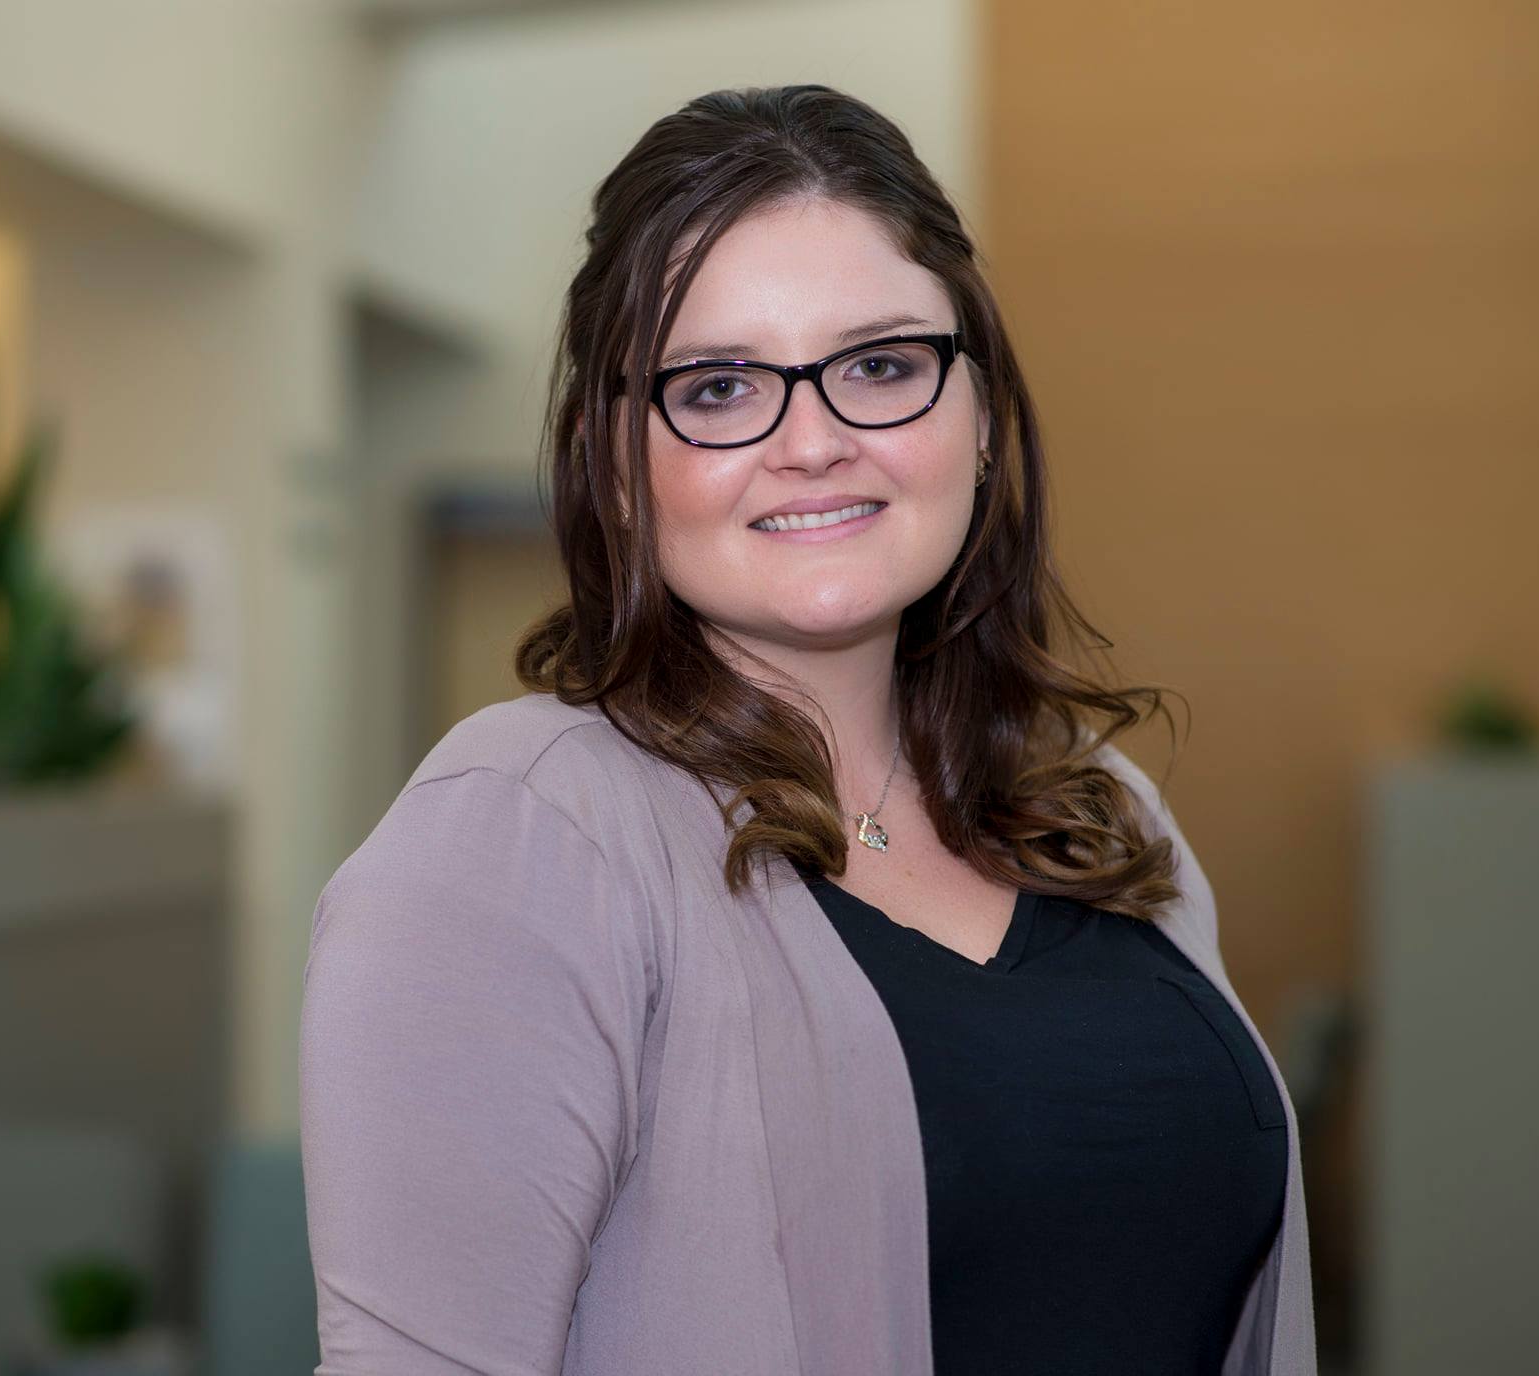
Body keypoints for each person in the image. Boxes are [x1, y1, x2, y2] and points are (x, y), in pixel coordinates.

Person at [298, 84, 1315, 1375]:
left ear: (983, 413)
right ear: (611, 460)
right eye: (719, 388)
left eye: (881, 366)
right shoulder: (521, 838)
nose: (814, 440)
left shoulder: (1103, 813)